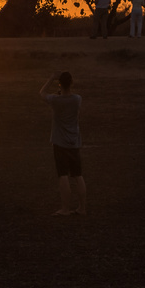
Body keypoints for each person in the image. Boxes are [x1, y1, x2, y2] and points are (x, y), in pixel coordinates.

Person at [40, 72, 85, 215]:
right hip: (74, 141)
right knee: (78, 175)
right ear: (71, 83)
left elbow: (42, 92)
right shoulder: (77, 99)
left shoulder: (55, 100)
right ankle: (82, 208)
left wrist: (51, 78)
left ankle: (65, 208)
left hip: (60, 141)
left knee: (63, 175)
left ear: (60, 84)